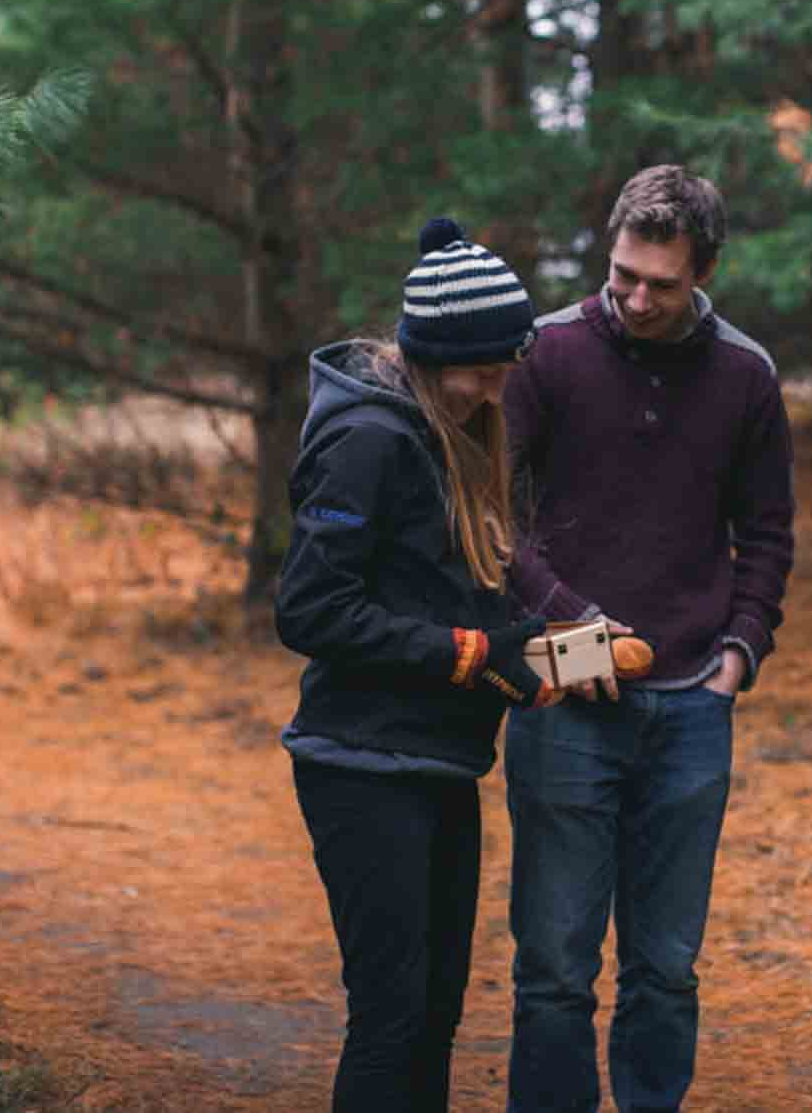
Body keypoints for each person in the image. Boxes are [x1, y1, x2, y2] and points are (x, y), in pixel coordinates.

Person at [501, 164, 796, 1112]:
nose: (633, 298)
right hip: (567, 688)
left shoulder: (745, 375)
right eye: (622, 274)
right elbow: (493, 518)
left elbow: (769, 531)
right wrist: (565, 618)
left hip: (690, 703)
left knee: (666, 968)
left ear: (706, 270)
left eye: (660, 285)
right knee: (553, 966)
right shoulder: (545, 353)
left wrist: (740, 652)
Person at [274, 217, 553, 1112]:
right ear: (431, 359)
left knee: (434, 1015)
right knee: (391, 1017)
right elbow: (312, 609)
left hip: (435, 762)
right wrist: (471, 655)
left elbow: (432, 589)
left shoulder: (444, 431)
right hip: (360, 766)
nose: (497, 385)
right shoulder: (368, 440)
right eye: (482, 369)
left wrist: (531, 645)